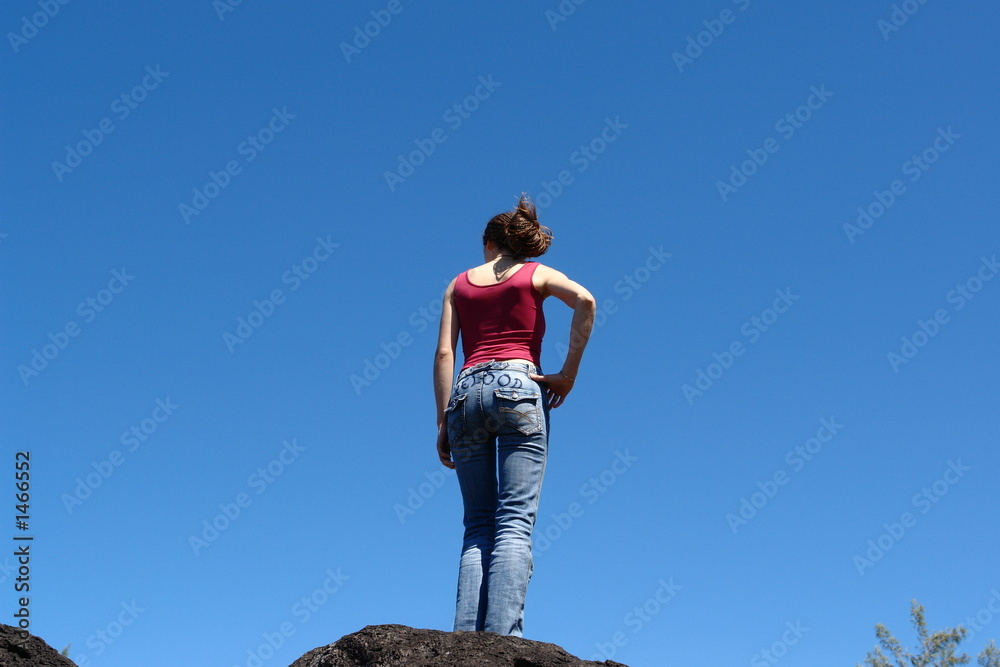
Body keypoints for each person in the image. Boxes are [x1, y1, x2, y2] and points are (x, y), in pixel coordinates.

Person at [433, 193, 596, 637]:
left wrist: (444, 421)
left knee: (477, 525)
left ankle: (465, 643)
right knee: (514, 520)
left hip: (465, 393)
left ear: (489, 243)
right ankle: (503, 643)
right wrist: (567, 375)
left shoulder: (457, 284)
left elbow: (446, 353)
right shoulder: (536, 273)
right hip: (519, 386)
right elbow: (586, 301)